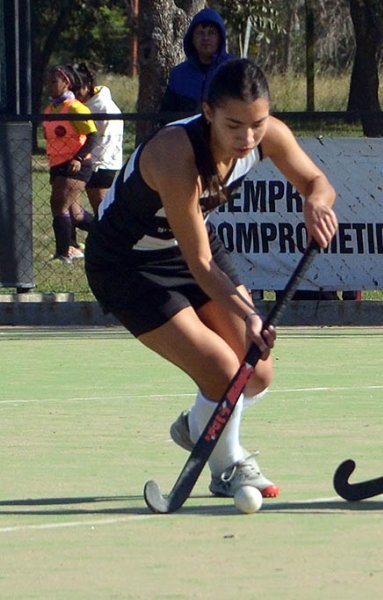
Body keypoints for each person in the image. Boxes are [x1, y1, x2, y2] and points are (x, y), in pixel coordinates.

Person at [84, 59, 338, 498]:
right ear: (208, 112)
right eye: (234, 125)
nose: (247, 138)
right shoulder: (174, 153)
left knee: (256, 374)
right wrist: (250, 314)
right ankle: (228, 467)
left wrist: (316, 202)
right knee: (225, 371)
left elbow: (317, 180)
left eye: (257, 123)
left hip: (186, 246)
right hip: (127, 264)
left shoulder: (266, 135)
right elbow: (200, 263)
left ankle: (201, 424)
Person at [43, 64, 97, 264]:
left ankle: (63, 254)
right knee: (76, 215)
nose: (50, 85)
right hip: (57, 164)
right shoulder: (50, 109)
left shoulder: (75, 108)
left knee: (58, 205)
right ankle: (108, 234)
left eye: (54, 81)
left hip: (74, 165)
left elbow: (92, 136)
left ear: (66, 82)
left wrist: (79, 158)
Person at [160, 8, 234, 114]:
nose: (205, 38)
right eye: (200, 33)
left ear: (220, 38)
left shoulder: (234, 69)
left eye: (211, 33)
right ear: (192, 39)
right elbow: (166, 118)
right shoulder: (178, 75)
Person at [74, 63, 124, 213]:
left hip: (101, 164)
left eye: (78, 89)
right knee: (72, 207)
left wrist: (92, 163)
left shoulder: (101, 107)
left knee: (102, 210)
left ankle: (110, 235)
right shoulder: (89, 103)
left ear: (88, 85)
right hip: (91, 161)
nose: (75, 94)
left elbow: (99, 139)